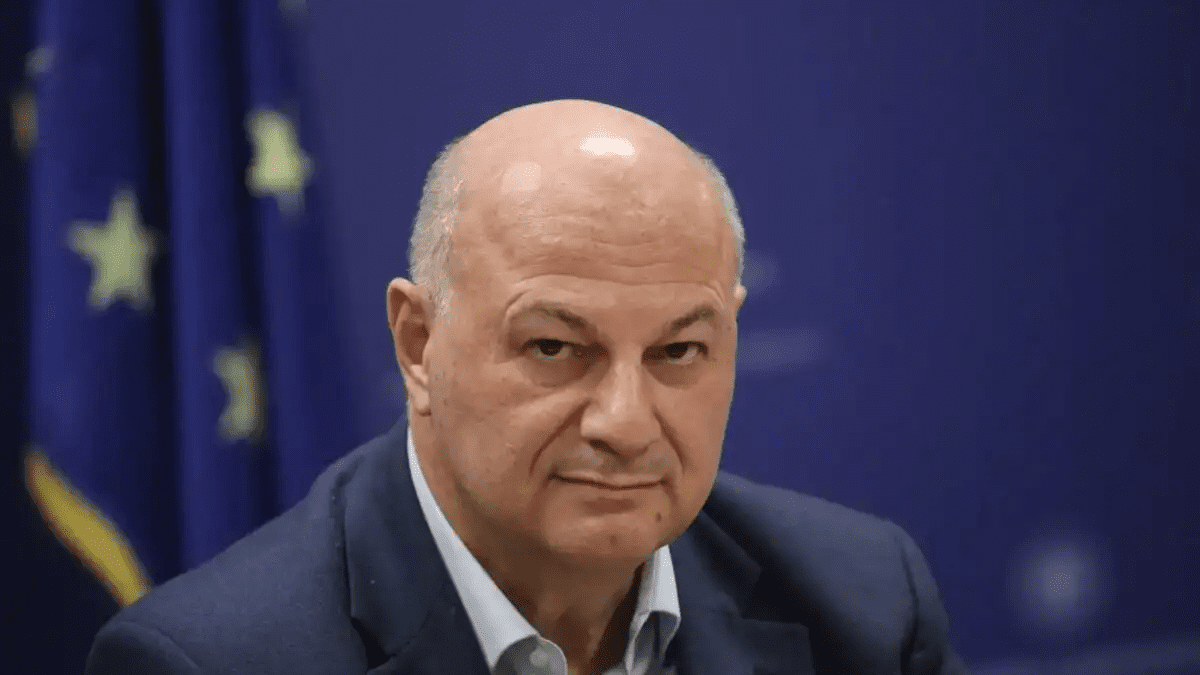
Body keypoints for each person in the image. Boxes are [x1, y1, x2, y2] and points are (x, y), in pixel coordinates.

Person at [85, 99, 968, 675]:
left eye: (678, 351)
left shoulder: (865, 606)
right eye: (555, 347)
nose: (626, 424)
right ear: (419, 343)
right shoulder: (208, 661)